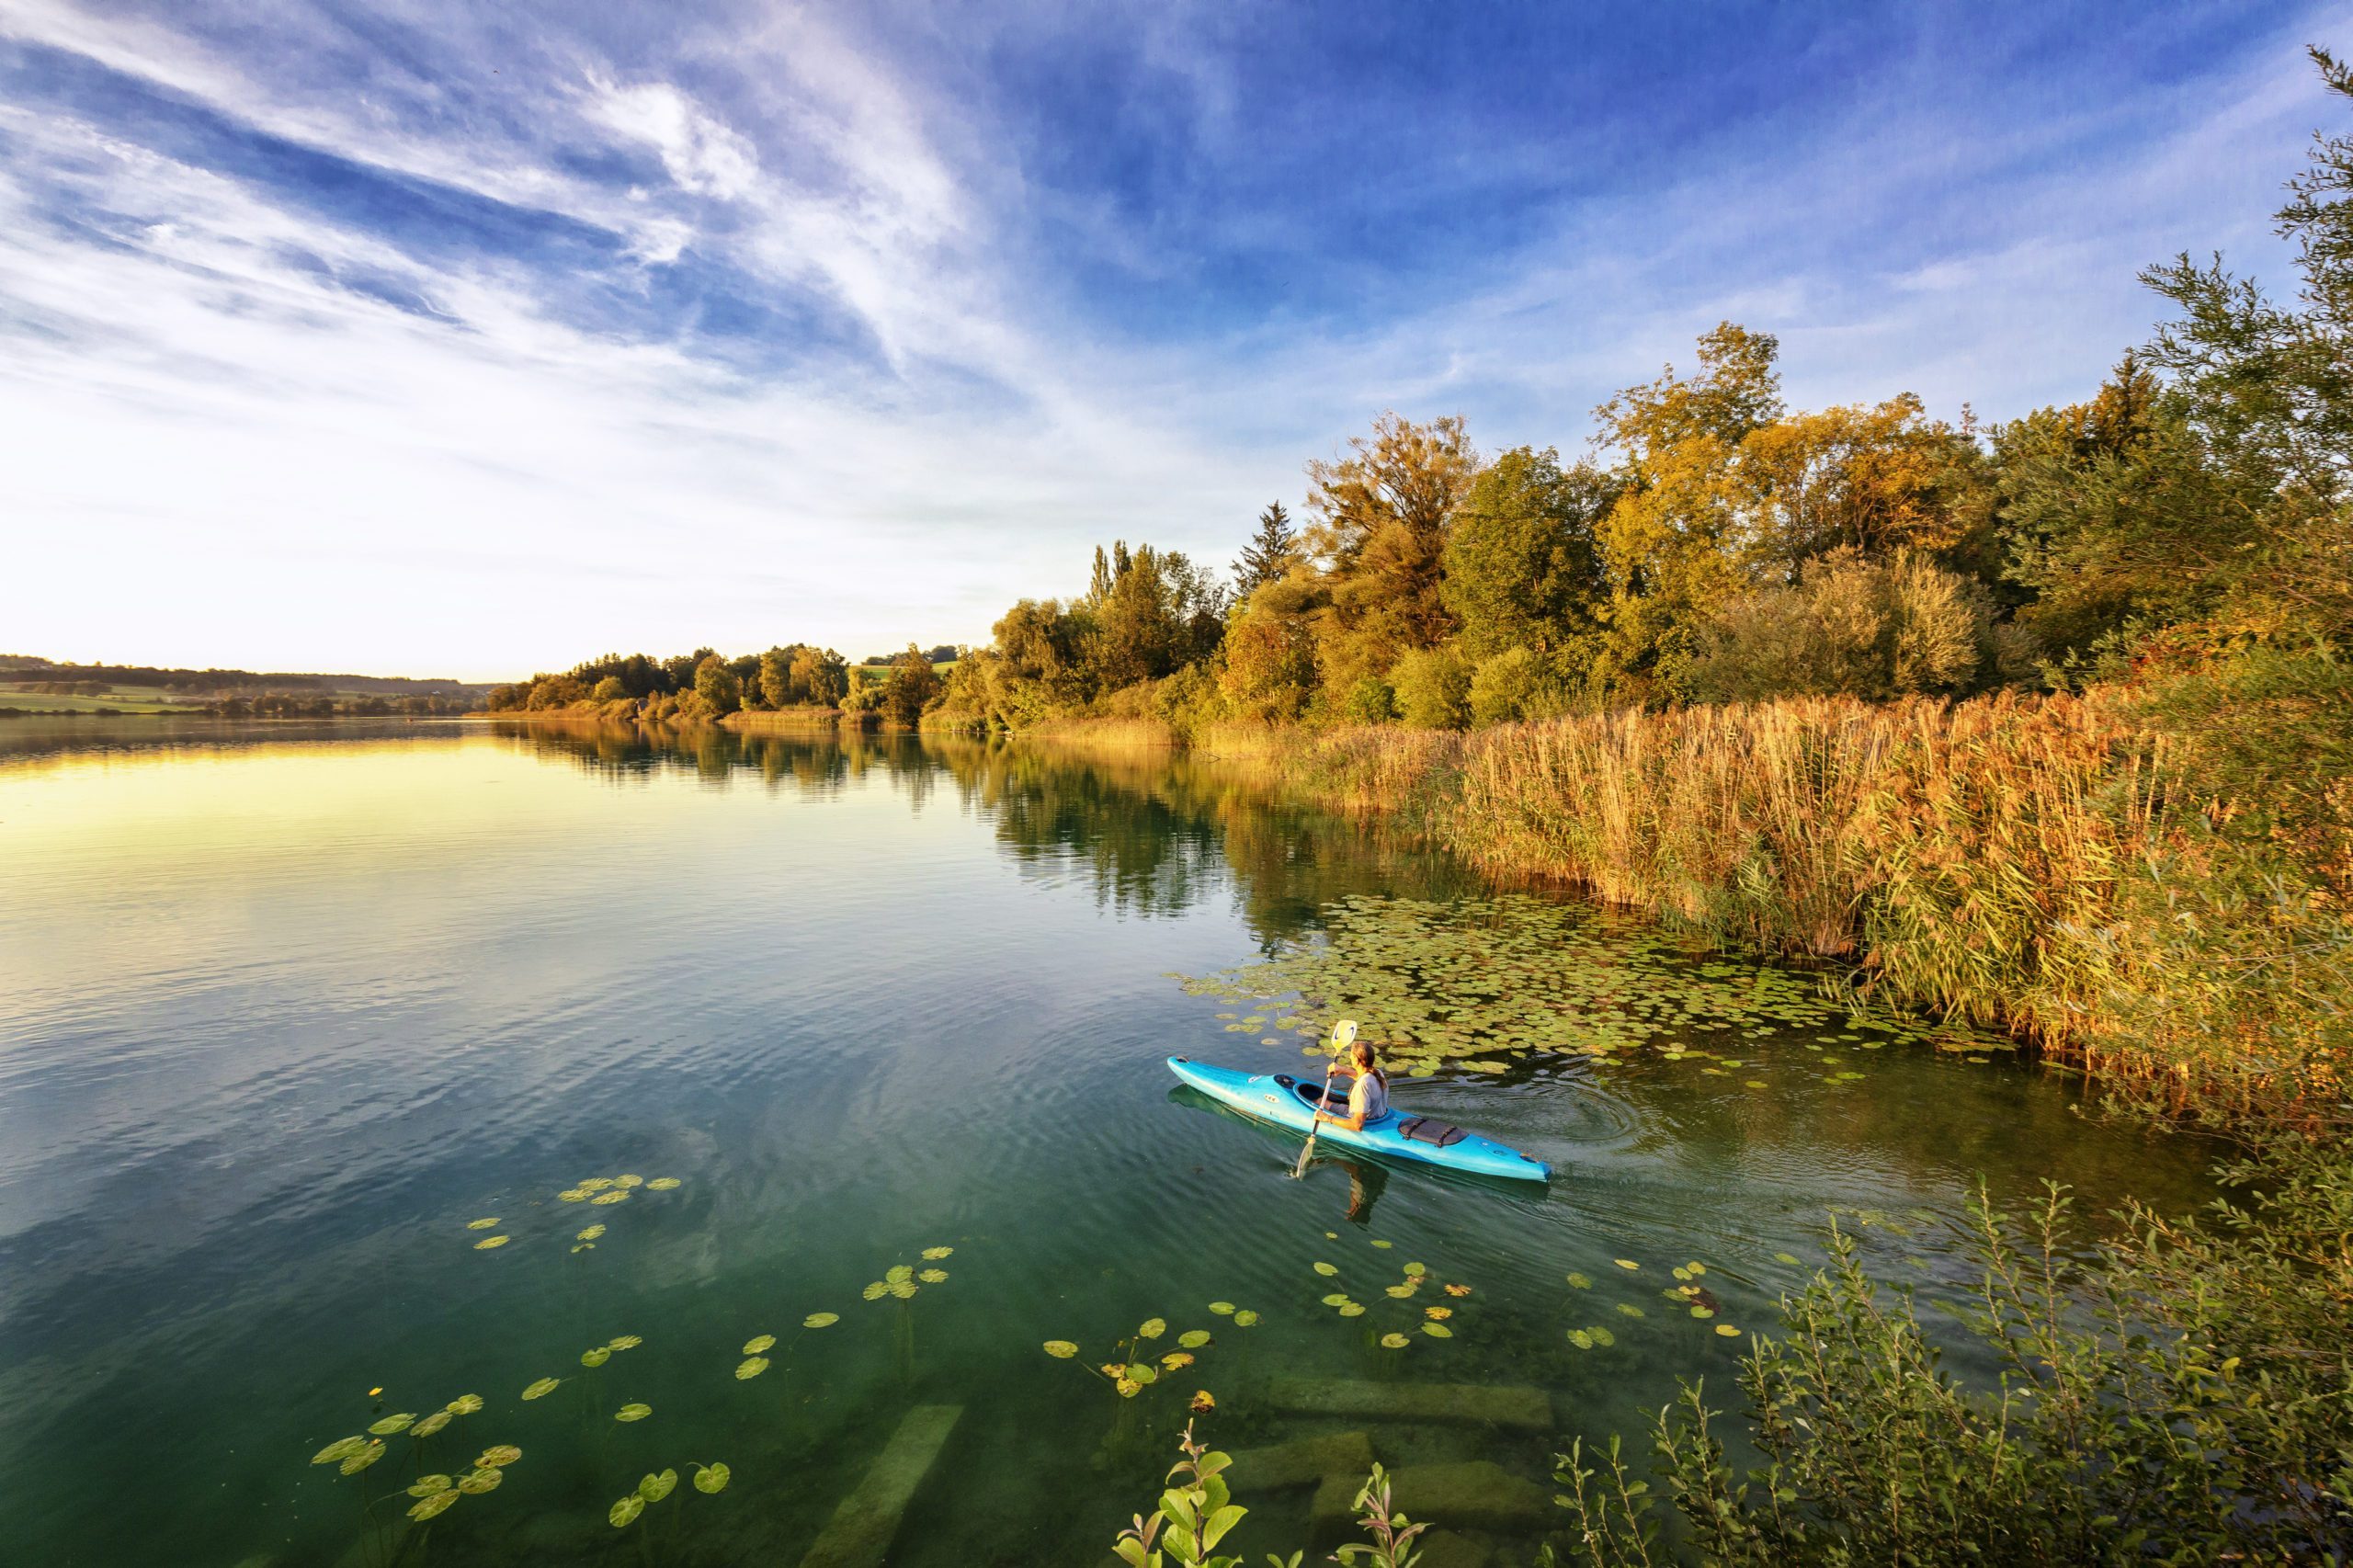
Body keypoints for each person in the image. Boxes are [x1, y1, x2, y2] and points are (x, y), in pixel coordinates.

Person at [1313, 1036, 1390, 1133]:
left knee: (1319, 1101)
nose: (1349, 1057)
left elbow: (1357, 1125)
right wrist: (1343, 1070)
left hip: (1359, 1120)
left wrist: (1327, 1118)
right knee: (1322, 1100)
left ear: (1357, 1060)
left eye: (1351, 1055)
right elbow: (1362, 1077)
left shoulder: (1363, 1084)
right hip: (1379, 1116)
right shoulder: (1377, 1073)